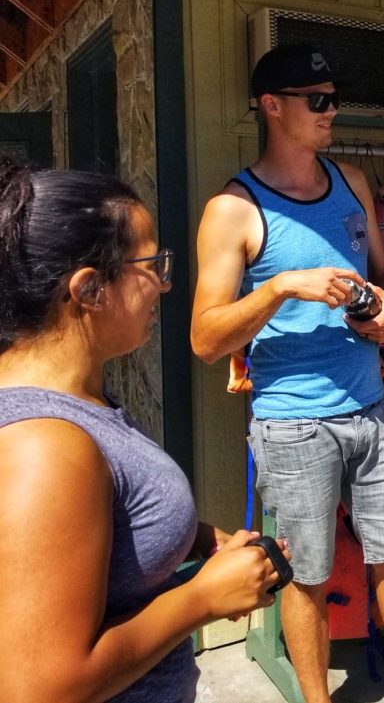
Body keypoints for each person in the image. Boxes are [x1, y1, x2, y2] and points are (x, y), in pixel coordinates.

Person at [190, 44, 384, 703]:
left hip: (372, 408)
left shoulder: (350, 181)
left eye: (333, 99)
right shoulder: (234, 209)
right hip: (293, 423)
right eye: (316, 100)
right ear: (271, 106)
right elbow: (205, 338)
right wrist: (282, 287)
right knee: (307, 574)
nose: (331, 111)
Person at [0, 161, 287, 703]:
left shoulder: (74, 401)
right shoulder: (44, 446)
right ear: (88, 289)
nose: (165, 282)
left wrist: (190, 536)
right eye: (151, 264)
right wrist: (201, 599)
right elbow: (40, 689)